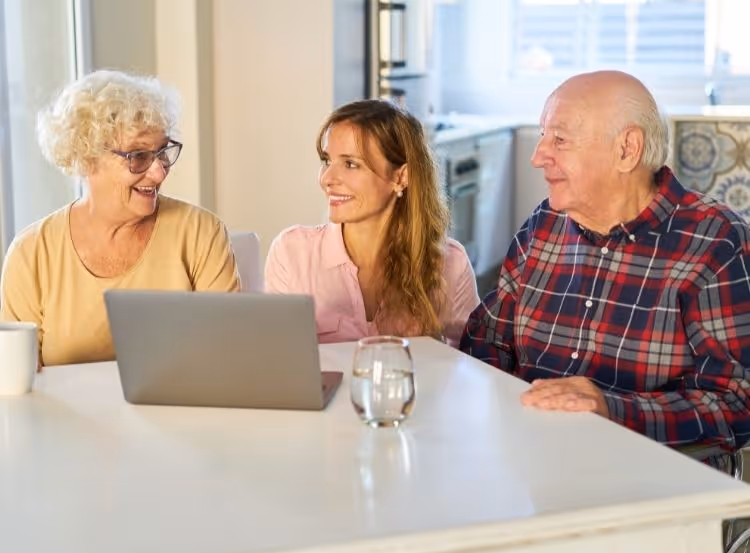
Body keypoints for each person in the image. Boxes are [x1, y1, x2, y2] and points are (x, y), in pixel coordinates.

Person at [460, 70, 750, 469]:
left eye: (559, 139)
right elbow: (486, 344)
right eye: (544, 136)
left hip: (656, 482)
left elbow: (736, 402)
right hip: (535, 463)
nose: (538, 155)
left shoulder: (715, 242)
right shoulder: (543, 226)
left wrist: (610, 410)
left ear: (627, 149)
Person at [0, 70, 239, 366]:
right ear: (87, 157)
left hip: (177, 413)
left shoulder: (202, 233)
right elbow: (18, 385)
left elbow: (229, 359)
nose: (159, 171)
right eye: (138, 156)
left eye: (162, 151)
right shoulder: (32, 255)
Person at [265, 99, 479, 346]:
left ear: (400, 177)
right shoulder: (292, 253)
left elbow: (473, 360)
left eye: (350, 164)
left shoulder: (450, 263)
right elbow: (276, 359)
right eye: (326, 161)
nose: (327, 179)